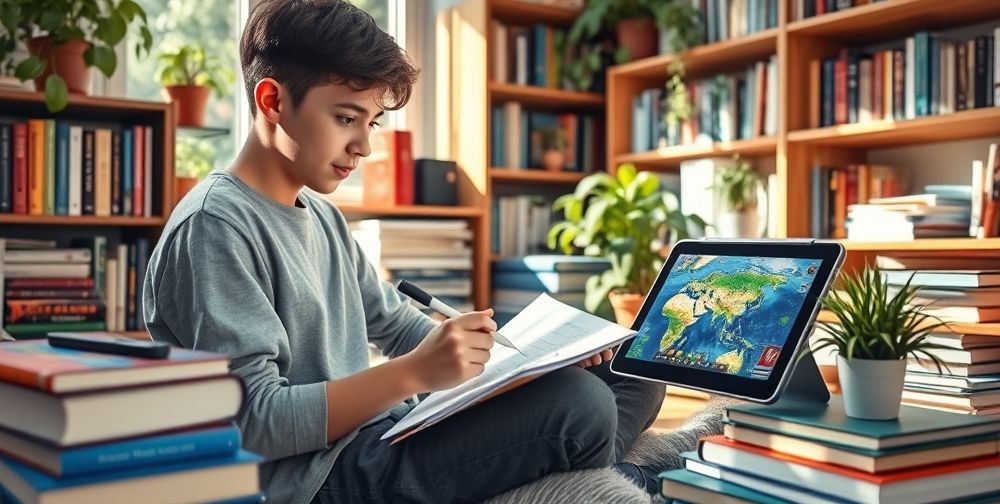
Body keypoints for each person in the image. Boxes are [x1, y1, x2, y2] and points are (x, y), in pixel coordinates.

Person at [143, 1, 666, 502]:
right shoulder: (215, 227)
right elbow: (255, 422)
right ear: (273, 101)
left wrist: (518, 357)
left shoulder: (321, 214)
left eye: (370, 123)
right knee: (581, 405)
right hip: (319, 478)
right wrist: (415, 373)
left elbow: (395, 325)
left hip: (388, 430)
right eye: (346, 118)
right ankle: (612, 477)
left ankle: (593, 467)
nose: (365, 147)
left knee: (631, 371)